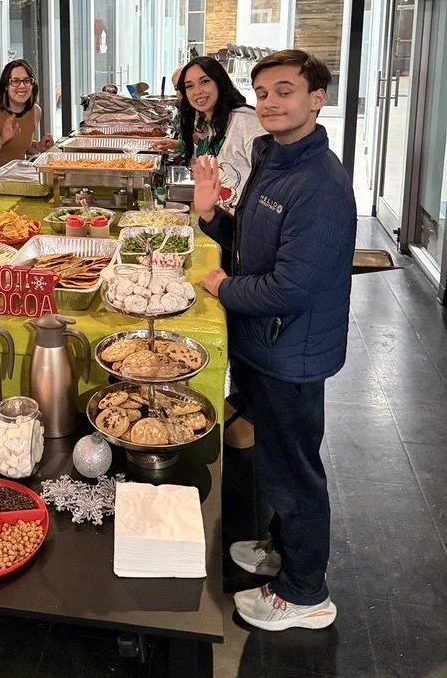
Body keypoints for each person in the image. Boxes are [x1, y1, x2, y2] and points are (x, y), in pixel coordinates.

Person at [194, 49, 356, 632]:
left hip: (292, 349)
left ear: (317, 98)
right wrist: (211, 215)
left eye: (284, 91)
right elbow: (246, 238)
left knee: (295, 471)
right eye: (262, 93)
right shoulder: (273, 157)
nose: (270, 103)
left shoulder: (321, 183)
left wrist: (222, 285)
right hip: (263, 344)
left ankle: (305, 592)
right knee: (277, 462)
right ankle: (282, 552)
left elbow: (291, 287)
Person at [178, 55, 265, 210]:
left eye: (205, 81)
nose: (197, 91)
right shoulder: (206, 124)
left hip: (246, 221)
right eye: (189, 86)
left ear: (219, 82)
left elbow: (271, 178)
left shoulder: (245, 121)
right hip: (222, 220)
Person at [0, 59, 54, 173]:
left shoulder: (35, 111)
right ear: (6, 86)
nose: (22, 86)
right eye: (15, 81)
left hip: (18, 179)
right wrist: (1, 140)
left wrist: (39, 146)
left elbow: (24, 147)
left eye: (27, 81)